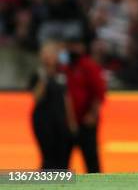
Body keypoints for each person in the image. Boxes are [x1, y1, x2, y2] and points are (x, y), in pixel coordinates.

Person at [62, 36, 106, 173]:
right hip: (67, 123)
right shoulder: (65, 67)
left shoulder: (88, 65)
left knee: (91, 161)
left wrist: (92, 115)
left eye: (75, 45)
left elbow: (99, 93)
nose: (72, 49)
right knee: (61, 162)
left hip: (85, 122)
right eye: (70, 45)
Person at [29, 40, 74, 169]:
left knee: (63, 159)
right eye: (46, 53)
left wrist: (72, 124)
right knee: (48, 158)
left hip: (61, 120)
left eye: (52, 53)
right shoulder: (38, 74)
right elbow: (37, 97)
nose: (49, 57)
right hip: (43, 121)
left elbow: (67, 98)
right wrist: (45, 75)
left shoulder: (63, 73)